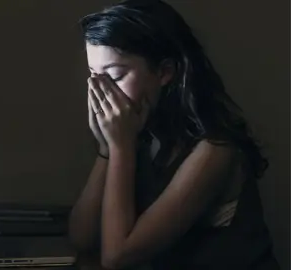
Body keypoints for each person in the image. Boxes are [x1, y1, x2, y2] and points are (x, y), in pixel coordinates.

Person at [68, 0, 280, 269]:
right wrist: (107, 149)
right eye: (94, 77)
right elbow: (82, 238)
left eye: (116, 76)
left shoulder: (215, 149)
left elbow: (117, 257)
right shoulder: (141, 133)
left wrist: (121, 147)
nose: (103, 93)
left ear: (165, 72)